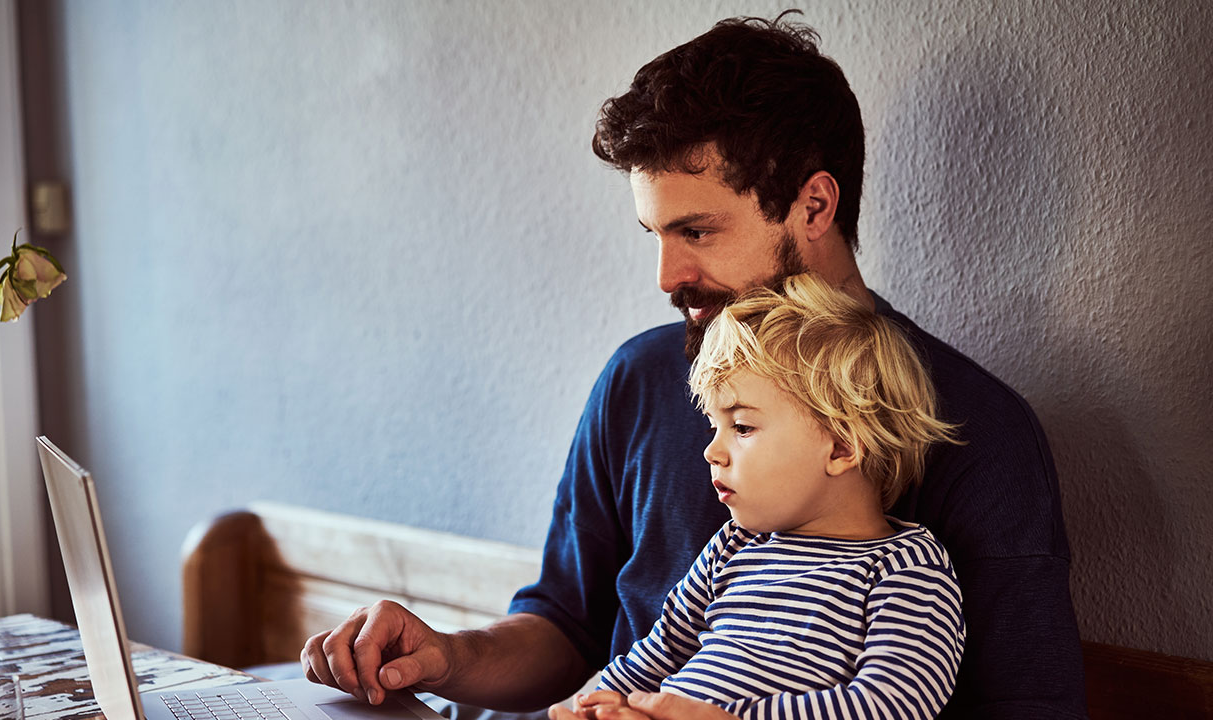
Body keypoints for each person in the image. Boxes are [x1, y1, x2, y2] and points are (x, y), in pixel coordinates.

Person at [301, 13, 1086, 719]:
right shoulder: (640, 380)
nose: (667, 277)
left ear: (814, 207)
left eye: (698, 232)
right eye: (656, 234)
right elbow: (569, 629)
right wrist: (446, 658)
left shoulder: (971, 430)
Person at [555, 273, 966, 720]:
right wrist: (596, 703)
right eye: (714, 425)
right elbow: (662, 648)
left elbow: (893, 704)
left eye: (742, 427)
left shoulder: (904, 569)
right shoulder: (731, 546)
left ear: (843, 446)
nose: (711, 450)